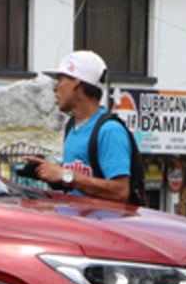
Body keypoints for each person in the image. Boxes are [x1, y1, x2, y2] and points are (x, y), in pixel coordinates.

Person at [23, 50, 134, 203]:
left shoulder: (109, 130)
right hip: (76, 222)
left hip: (100, 224)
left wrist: (66, 175)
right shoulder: (72, 127)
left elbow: (120, 191)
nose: (56, 88)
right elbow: (77, 184)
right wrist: (48, 172)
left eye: (60, 80)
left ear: (76, 82)